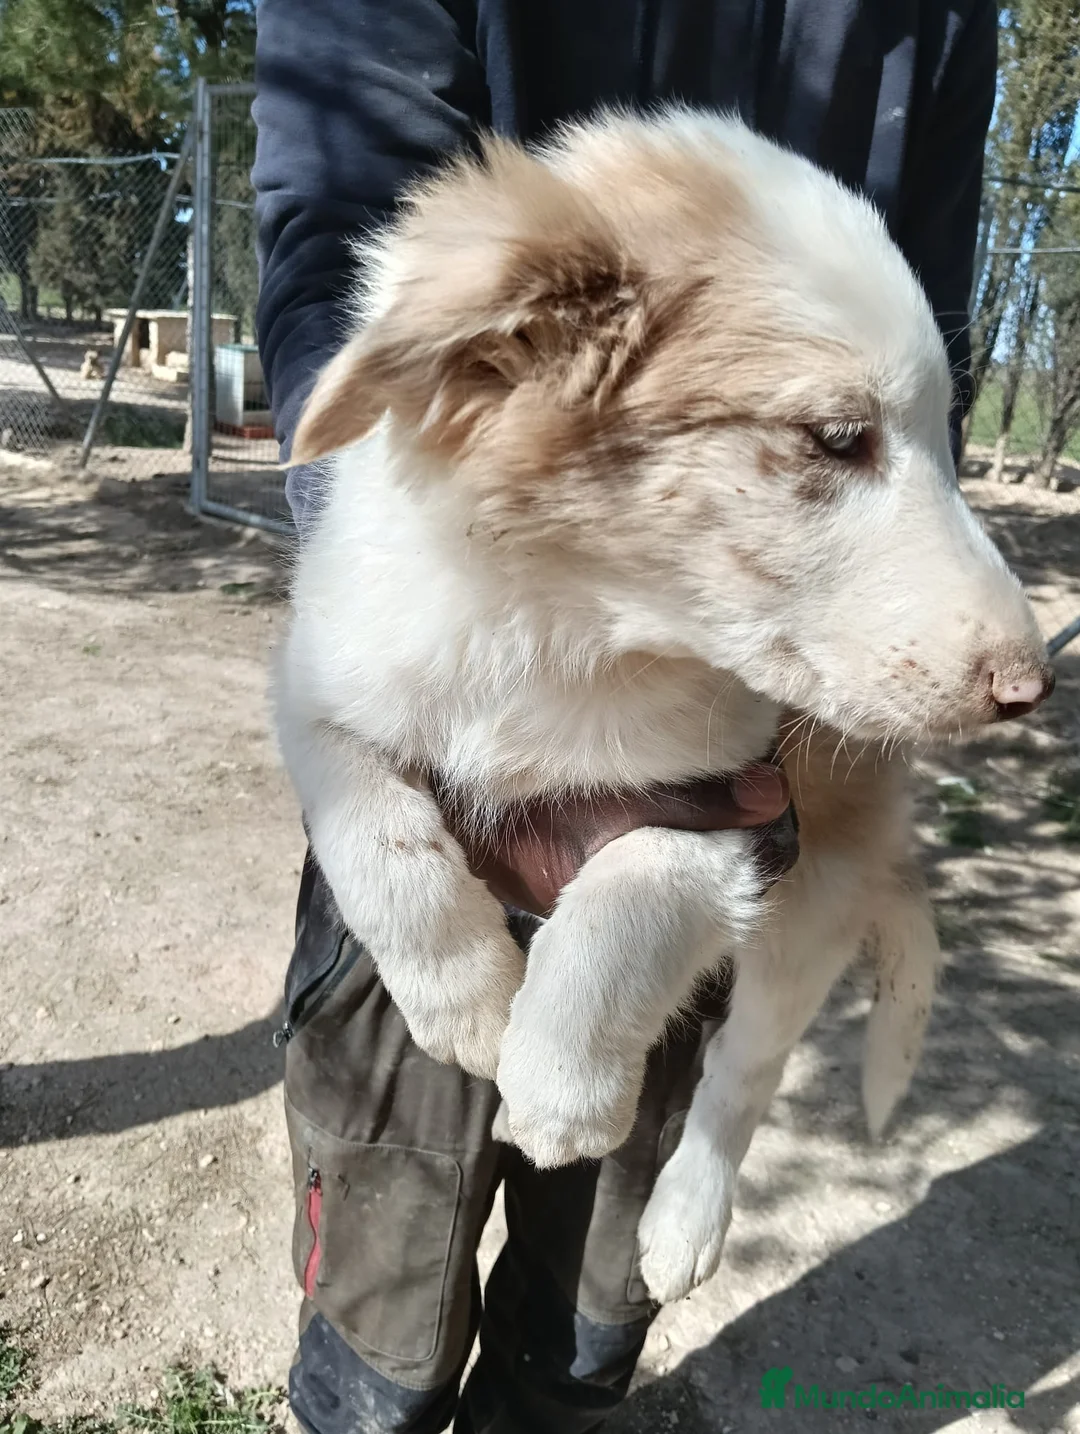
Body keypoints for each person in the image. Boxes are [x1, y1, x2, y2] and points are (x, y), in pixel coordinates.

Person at [252, 4, 995, 1431]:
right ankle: (372, 1394)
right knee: (385, 1255)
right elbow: (346, 212)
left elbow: (913, 319)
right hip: (472, 614)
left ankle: (574, 1373)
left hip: (722, 702)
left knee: (611, 1239)